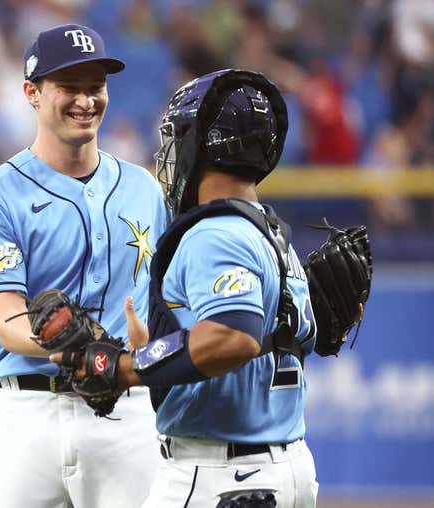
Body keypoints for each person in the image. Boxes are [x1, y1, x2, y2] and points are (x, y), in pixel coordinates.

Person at [54, 69, 330, 507]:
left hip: (220, 475)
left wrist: (128, 366)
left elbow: (232, 336)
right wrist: (159, 350)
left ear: (200, 144)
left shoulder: (216, 233)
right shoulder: (272, 234)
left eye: (176, 136)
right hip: (284, 465)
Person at [0, 24, 167, 508]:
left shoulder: (144, 188)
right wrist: (84, 351)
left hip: (126, 417)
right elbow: (8, 320)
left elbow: (169, 300)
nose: (86, 100)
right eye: (69, 87)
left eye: (96, 86)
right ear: (32, 92)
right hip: (28, 414)